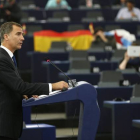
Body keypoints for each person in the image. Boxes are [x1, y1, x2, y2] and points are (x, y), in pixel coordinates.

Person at [0, 22, 69, 140]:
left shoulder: (9, 57)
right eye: (18, 34)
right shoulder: (2, 58)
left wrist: (23, 93)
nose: (22, 38)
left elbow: (9, 86)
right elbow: (19, 86)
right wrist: (53, 86)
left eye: (22, 34)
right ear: (6, 36)